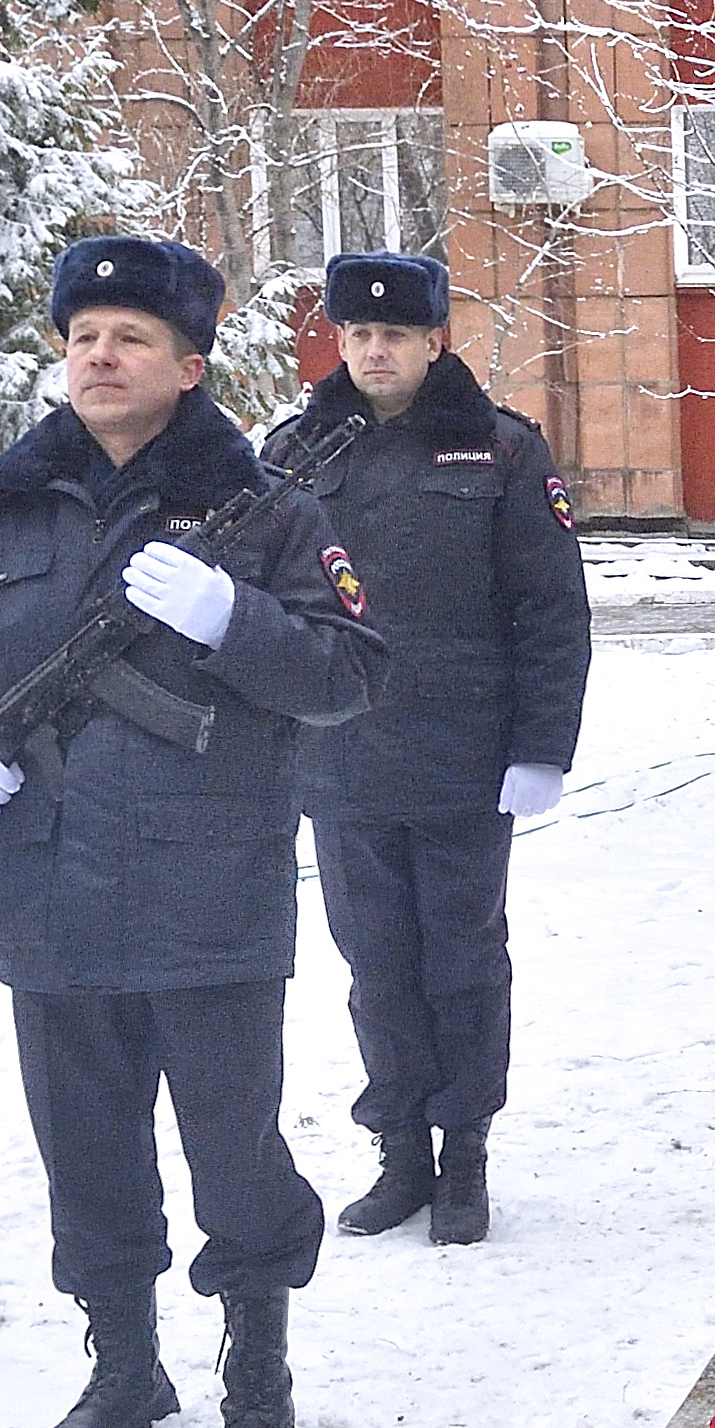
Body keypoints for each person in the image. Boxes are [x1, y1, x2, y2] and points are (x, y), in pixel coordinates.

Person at [0, 235, 391, 1428]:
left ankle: (257, 1373)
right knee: (88, 1154)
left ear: (189, 364)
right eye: (81, 338)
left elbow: (347, 673)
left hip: (207, 889)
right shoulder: (4, 509)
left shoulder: (269, 511)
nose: (99, 357)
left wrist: (237, 621)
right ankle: (124, 1366)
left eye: (129, 338)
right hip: (48, 890)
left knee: (236, 1153)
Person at [262, 250, 594, 1251]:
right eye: (357, 333)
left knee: (461, 958)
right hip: (341, 762)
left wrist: (541, 747)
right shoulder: (295, 454)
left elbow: (551, 613)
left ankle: (464, 1156)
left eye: (394, 334)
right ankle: (399, 1150)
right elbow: (263, 609)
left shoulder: (498, 452)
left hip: (462, 758)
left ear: (433, 338)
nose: (373, 350)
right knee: (375, 964)